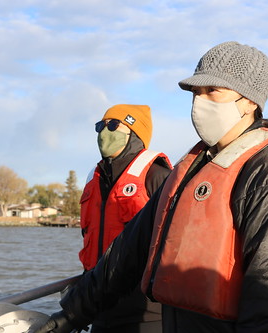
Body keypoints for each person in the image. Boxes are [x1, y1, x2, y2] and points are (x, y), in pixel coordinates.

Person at [32, 41, 268, 333]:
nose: (199, 102)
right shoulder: (191, 169)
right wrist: (69, 317)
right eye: (196, 92)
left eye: (212, 91)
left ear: (249, 102)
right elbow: (125, 255)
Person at [79, 104, 172, 332]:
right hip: (99, 306)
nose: (104, 132)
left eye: (112, 125)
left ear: (134, 132)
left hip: (146, 313)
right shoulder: (95, 179)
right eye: (100, 126)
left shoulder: (157, 175)